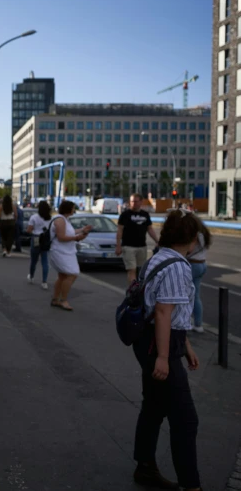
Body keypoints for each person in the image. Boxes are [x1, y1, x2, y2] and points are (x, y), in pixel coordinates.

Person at [130, 210, 203, 491]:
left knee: (154, 406)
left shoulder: (158, 258)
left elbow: (167, 311)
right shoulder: (177, 266)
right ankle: (191, 485)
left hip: (153, 341)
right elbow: (163, 312)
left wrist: (186, 345)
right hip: (159, 345)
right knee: (186, 420)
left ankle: (145, 466)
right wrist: (164, 356)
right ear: (193, 239)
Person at [49, 200, 92, 311]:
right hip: (60, 252)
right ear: (68, 209)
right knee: (73, 274)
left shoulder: (64, 220)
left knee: (63, 276)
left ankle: (56, 299)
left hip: (65, 252)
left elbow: (69, 232)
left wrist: (82, 230)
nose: (74, 210)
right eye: (73, 208)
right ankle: (63, 300)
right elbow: (61, 237)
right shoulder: (60, 220)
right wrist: (77, 238)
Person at [116, 194, 159, 286]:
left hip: (142, 246)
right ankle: (133, 291)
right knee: (132, 269)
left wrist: (157, 241)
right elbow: (119, 230)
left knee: (141, 270)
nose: (133, 203)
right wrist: (118, 245)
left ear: (141, 202)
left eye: (135, 201)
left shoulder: (145, 214)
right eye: (131, 201)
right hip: (128, 246)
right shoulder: (125, 215)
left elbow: (150, 229)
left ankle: (138, 288)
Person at [187, 217, 211, 334]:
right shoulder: (204, 234)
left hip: (193, 265)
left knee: (185, 295)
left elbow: (189, 250)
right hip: (202, 264)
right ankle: (198, 324)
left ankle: (186, 323)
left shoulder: (194, 234)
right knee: (196, 296)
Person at [27, 200, 51, 290]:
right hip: (45, 239)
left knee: (34, 260)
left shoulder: (34, 217)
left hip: (36, 238)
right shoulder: (49, 218)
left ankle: (31, 276)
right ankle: (44, 282)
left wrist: (32, 231)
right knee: (45, 261)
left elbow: (29, 230)